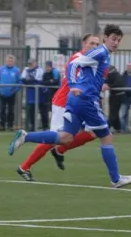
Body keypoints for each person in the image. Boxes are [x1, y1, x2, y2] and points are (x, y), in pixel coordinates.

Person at [8, 24, 131, 188]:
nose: (116, 43)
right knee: (106, 136)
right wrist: (73, 84)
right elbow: (72, 65)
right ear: (105, 38)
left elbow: (89, 75)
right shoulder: (99, 53)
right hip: (82, 100)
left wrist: (96, 87)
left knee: (65, 137)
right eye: (113, 39)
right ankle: (116, 179)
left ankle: (27, 137)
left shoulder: (100, 55)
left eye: (119, 40)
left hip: (76, 100)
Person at [15, 34, 100, 181]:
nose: (95, 47)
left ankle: (60, 150)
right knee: (54, 138)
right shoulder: (78, 59)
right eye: (92, 43)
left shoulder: (92, 61)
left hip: (79, 103)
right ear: (84, 44)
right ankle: (25, 167)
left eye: (97, 44)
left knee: (94, 131)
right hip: (64, 103)